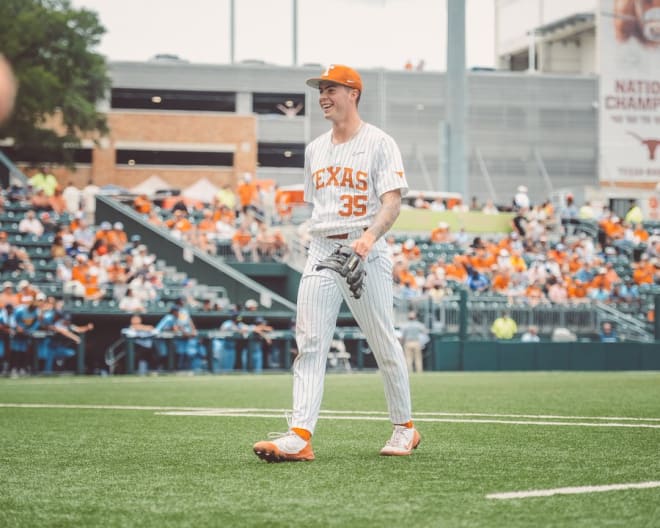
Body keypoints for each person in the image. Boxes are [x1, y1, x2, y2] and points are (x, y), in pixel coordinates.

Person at [253, 64, 420, 462]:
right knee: (309, 343)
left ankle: (405, 427)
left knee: (381, 339)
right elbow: (318, 207)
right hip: (323, 250)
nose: (323, 96)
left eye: (331, 89)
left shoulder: (380, 142)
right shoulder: (315, 149)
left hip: (366, 248)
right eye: (321, 90)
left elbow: (392, 202)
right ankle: (299, 436)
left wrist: (367, 239)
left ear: (353, 93)